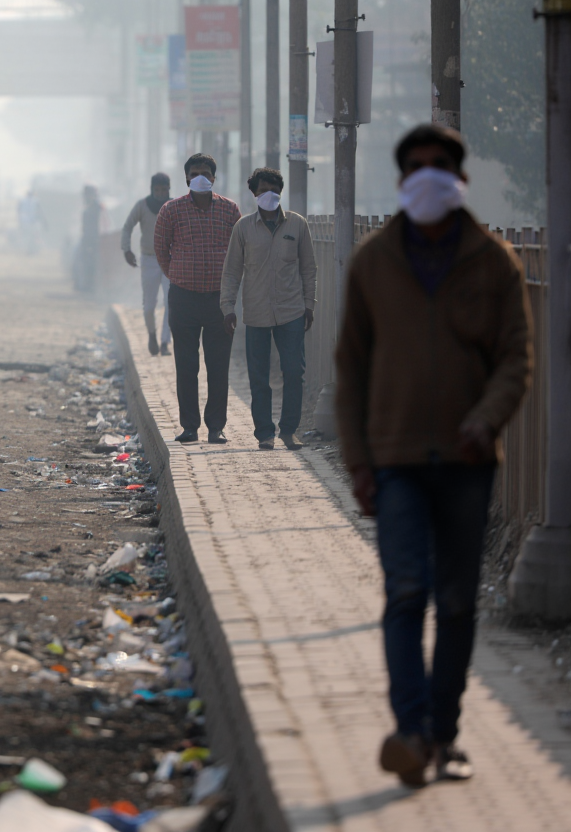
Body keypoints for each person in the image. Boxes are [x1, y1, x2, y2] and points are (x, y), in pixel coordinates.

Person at [336, 124, 532, 787]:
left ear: (460, 178)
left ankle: (443, 736)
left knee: (454, 602)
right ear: (400, 182)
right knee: (406, 593)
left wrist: (487, 417)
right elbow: (351, 370)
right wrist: (358, 462)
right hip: (393, 459)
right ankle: (412, 731)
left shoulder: (495, 261)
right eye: (416, 167)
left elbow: (515, 359)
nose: (429, 176)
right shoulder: (373, 262)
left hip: (467, 459)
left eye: (440, 165)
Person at [220, 167, 317, 450]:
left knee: (293, 373)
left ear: (281, 192)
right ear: (254, 194)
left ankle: (289, 431)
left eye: (274, 190)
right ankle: (264, 432)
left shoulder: (297, 225)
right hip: (257, 313)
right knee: (259, 377)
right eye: (263, 190)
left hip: (291, 312)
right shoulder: (244, 228)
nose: (269, 195)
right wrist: (228, 307)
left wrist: (309, 304)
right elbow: (231, 272)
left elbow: (309, 269)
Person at [152, 153, 241, 444]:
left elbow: (239, 253)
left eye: (205, 172)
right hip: (183, 299)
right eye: (195, 173)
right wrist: (178, 276)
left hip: (219, 301)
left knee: (218, 366)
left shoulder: (230, 211)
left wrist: (229, 293)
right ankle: (189, 427)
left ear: (214, 178)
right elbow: (161, 250)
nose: (200, 176)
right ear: (187, 178)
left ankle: (216, 427)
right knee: (186, 365)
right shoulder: (171, 210)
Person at [122, 173, 173, 356]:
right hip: (149, 259)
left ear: (169, 189)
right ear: (152, 190)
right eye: (157, 190)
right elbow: (128, 227)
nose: (160, 194)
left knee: (171, 302)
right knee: (149, 305)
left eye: (164, 190)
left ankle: (165, 342)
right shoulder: (142, 206)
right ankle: (152, 334)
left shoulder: (174, 206)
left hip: (170, 260)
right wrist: (126, 249)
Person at [75, 185, 103, 292]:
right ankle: (86, 285)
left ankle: (89, 286)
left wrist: (93, 241)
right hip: (88, 240)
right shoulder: (90, 207)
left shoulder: (97, 208)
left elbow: (99, 226)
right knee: (85, 262)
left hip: (93, 241)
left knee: (91, 264)